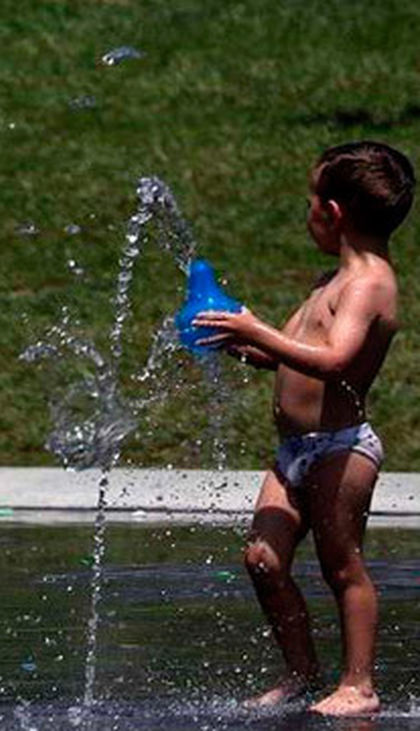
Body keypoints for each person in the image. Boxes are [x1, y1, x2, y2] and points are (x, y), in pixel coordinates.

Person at [193, 141, 414, 716]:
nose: (307, 213)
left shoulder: (369, 284)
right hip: (294, 450)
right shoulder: (329, 280)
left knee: (342, 565)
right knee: (262, 559)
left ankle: (359, 686)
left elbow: (336, 359)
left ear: (332, 212)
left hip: (342, 449)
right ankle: (301, 673)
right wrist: (241, 344)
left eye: (310, 201)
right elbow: (291, 354)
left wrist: (256, 328)